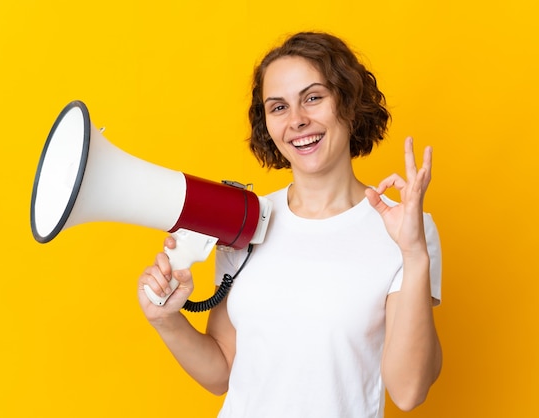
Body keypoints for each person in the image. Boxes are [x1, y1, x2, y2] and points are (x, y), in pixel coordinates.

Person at [137, 31, 442, 418]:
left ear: (348, 103)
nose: (297, 121)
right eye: (278, 107)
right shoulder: (244, 220)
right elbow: (223, 372)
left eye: (313, 98)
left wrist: (414, 253)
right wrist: (166, 320)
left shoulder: (408, 229)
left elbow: (408, 390)